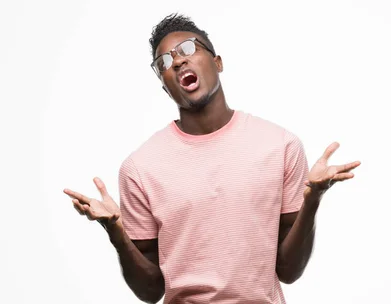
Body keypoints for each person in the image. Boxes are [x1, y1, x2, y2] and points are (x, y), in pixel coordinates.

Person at [63, 13, 360, 304]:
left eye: (188, 48)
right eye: (164, 62)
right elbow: (150, 292)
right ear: (165, 87)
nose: (178, 61)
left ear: (217, 62)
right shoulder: (140, 169)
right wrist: (116, 232)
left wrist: (313, 199)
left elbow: (289, 270)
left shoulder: (280, 146)